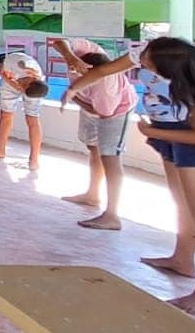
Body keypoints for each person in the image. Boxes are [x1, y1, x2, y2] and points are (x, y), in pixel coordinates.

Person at [65, 38, 195, 314]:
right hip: (168, 134)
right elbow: (104, 70)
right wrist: (74, 88)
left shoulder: (192, 90)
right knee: (180, 202)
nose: (141, 63)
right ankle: (182, 259)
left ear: (169, 69)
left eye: (148, 63)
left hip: (194, 144)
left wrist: (154, 134)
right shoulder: (148, 54)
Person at [50, 39, 136, 230]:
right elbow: (59, 42)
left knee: (110, 156)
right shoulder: (89, 52)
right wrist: (71, 59)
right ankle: (92, 194)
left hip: (114, 111)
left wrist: (73, 97)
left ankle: (112, 214)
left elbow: (102, 112)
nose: (75, 74)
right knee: (93, 148)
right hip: (87, 100)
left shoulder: (105, 87)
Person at [0, 50, 49, 170]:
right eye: (23, 88)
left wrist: (23, 89)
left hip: (28, 82)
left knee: (32, 118)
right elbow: (2, 72)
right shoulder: (17, 65)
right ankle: (0, 149)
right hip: (9, 77)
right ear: (28, 83)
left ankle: (34, 160)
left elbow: (29, 88)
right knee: (6, 114)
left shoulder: (37, 81)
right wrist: (14, 84)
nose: (21, 90)